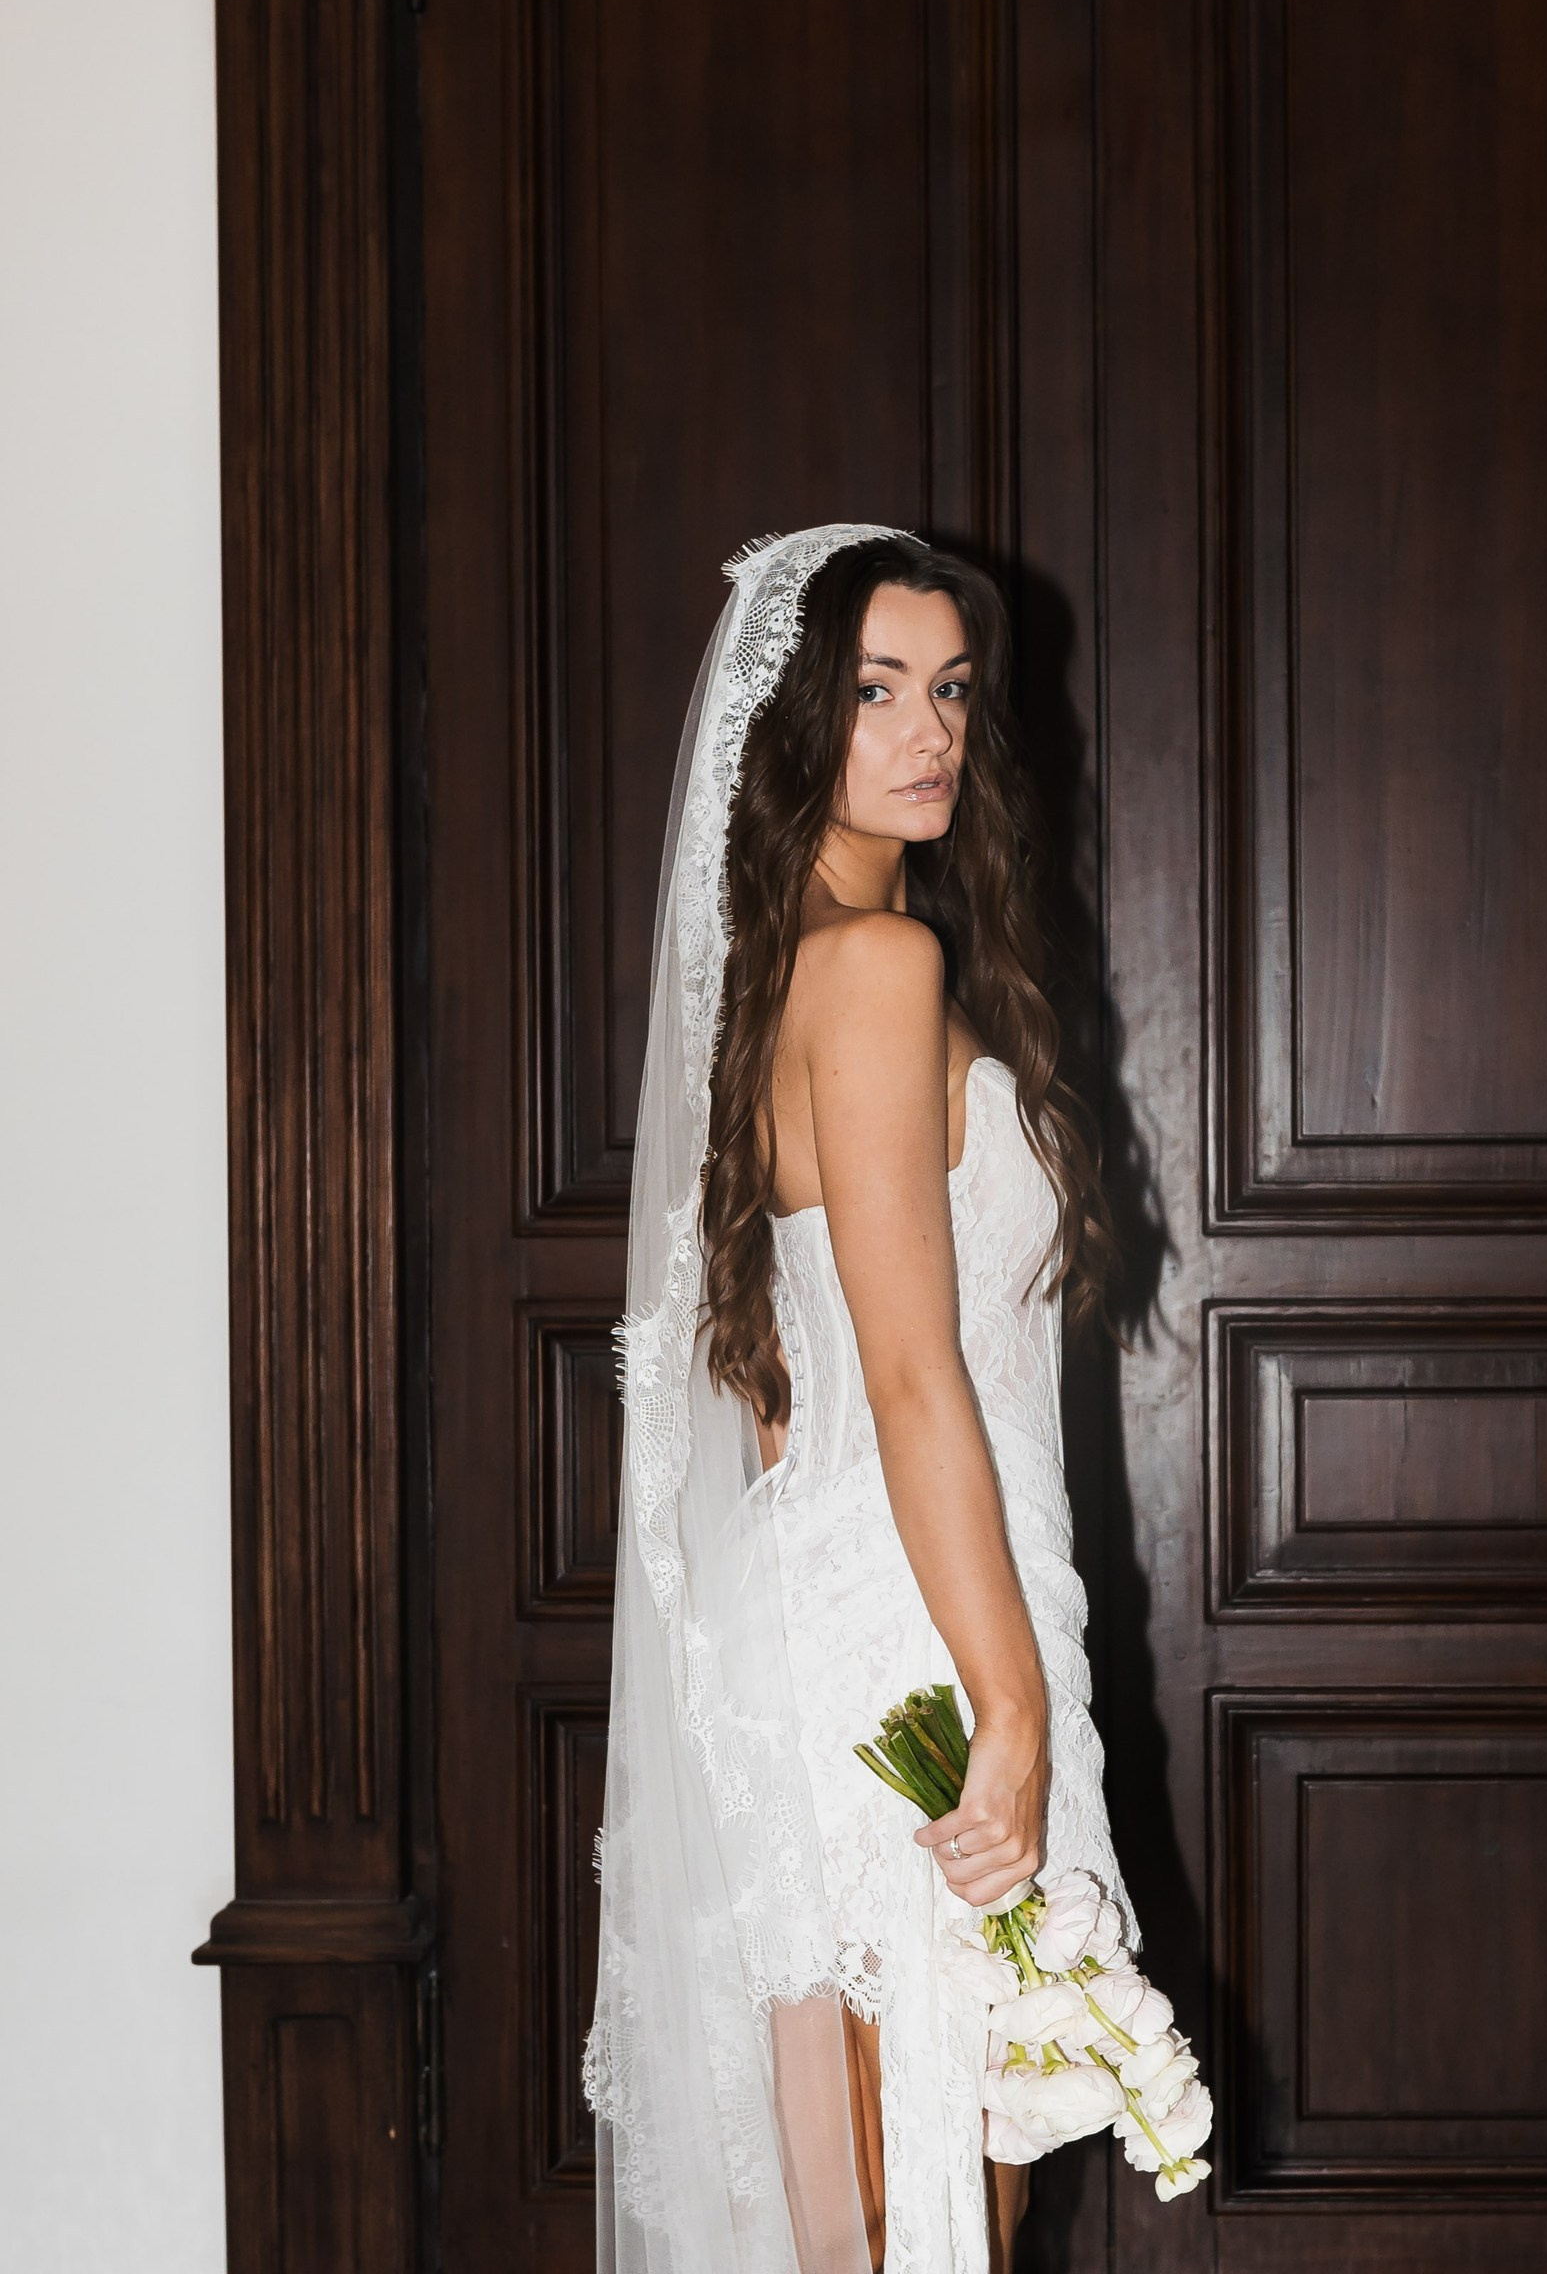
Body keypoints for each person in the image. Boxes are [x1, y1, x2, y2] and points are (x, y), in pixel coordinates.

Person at [584, 527, 1137, 2274]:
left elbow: (780, 1392)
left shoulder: (792, 970)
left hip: (850, 1614)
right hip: (914, 1638)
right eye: (878, 691)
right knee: (934, 2204)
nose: (930, 731)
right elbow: (905, 1372)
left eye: (951, 690)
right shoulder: (877, 970)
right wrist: (1008, 1703)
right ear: (797, 721)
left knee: (877, 2213)